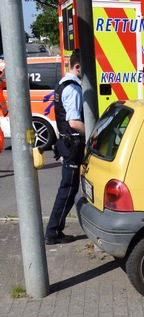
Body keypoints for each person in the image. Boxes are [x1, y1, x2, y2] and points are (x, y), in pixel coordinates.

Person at [45, 50, 84, 245]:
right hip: (72, 145)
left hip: (65, 143)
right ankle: (53, 232)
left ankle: (54, 230)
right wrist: (94, 134)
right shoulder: (73, 89)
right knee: (68, 189)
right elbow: (74, 122)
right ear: (77, 66)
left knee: (68, 188)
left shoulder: (62, 84)